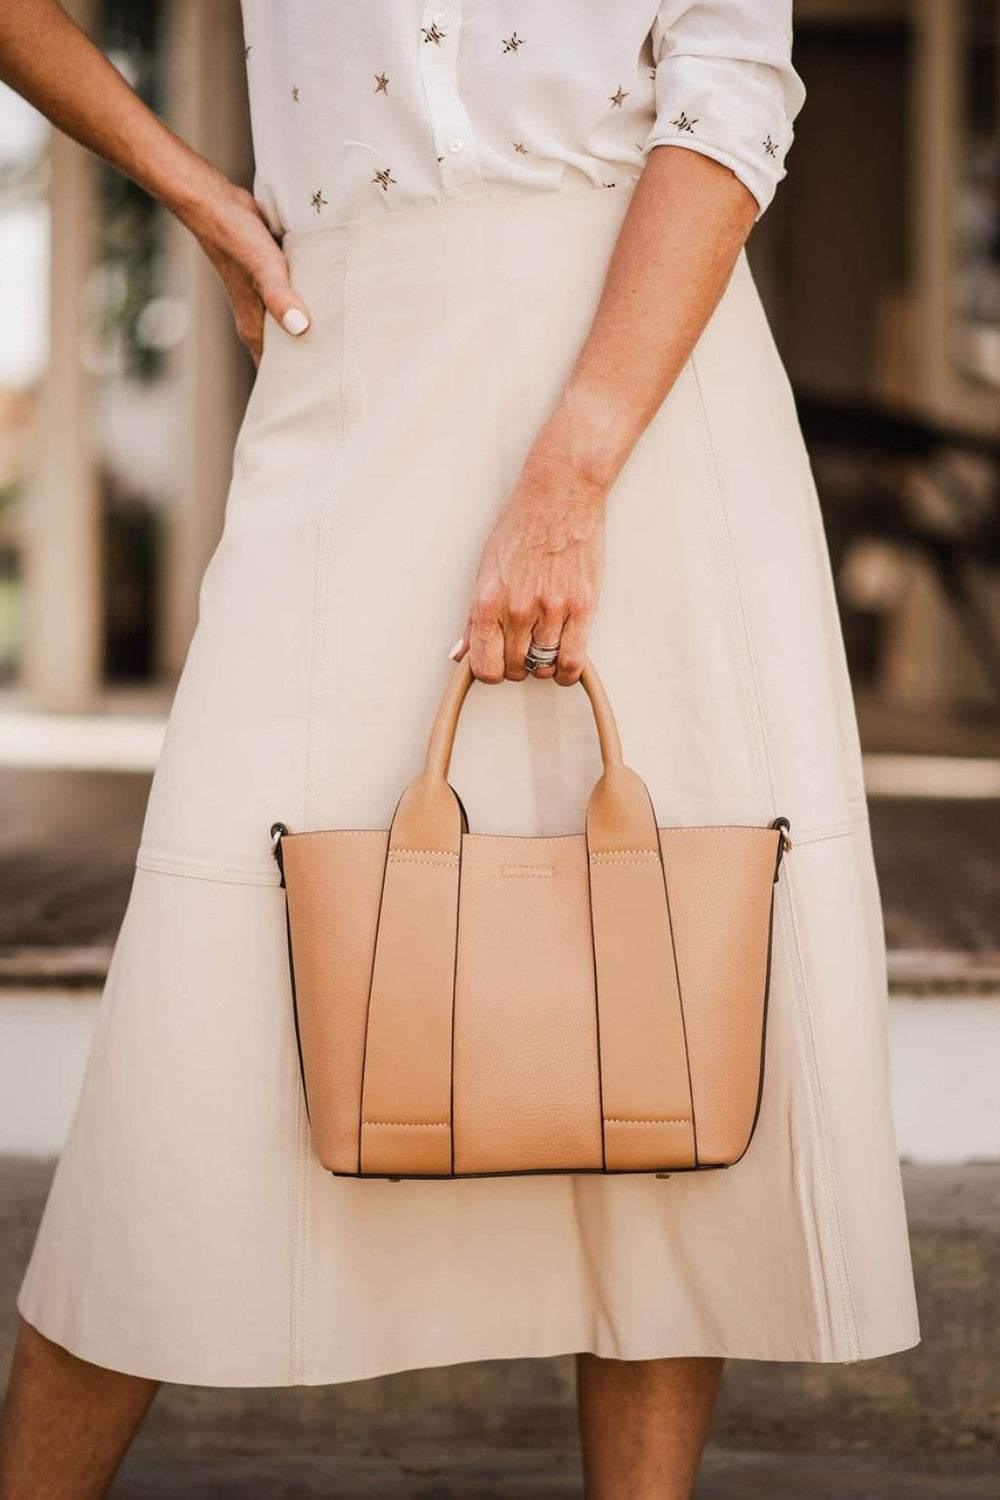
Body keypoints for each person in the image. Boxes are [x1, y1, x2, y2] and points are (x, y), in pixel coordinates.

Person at [0, 3, 921, 1497]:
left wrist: (577, 462)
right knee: (194, 1013)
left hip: (654, 386)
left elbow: (735, 88)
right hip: (351, 373)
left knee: (665, 991)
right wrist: (188, 187)